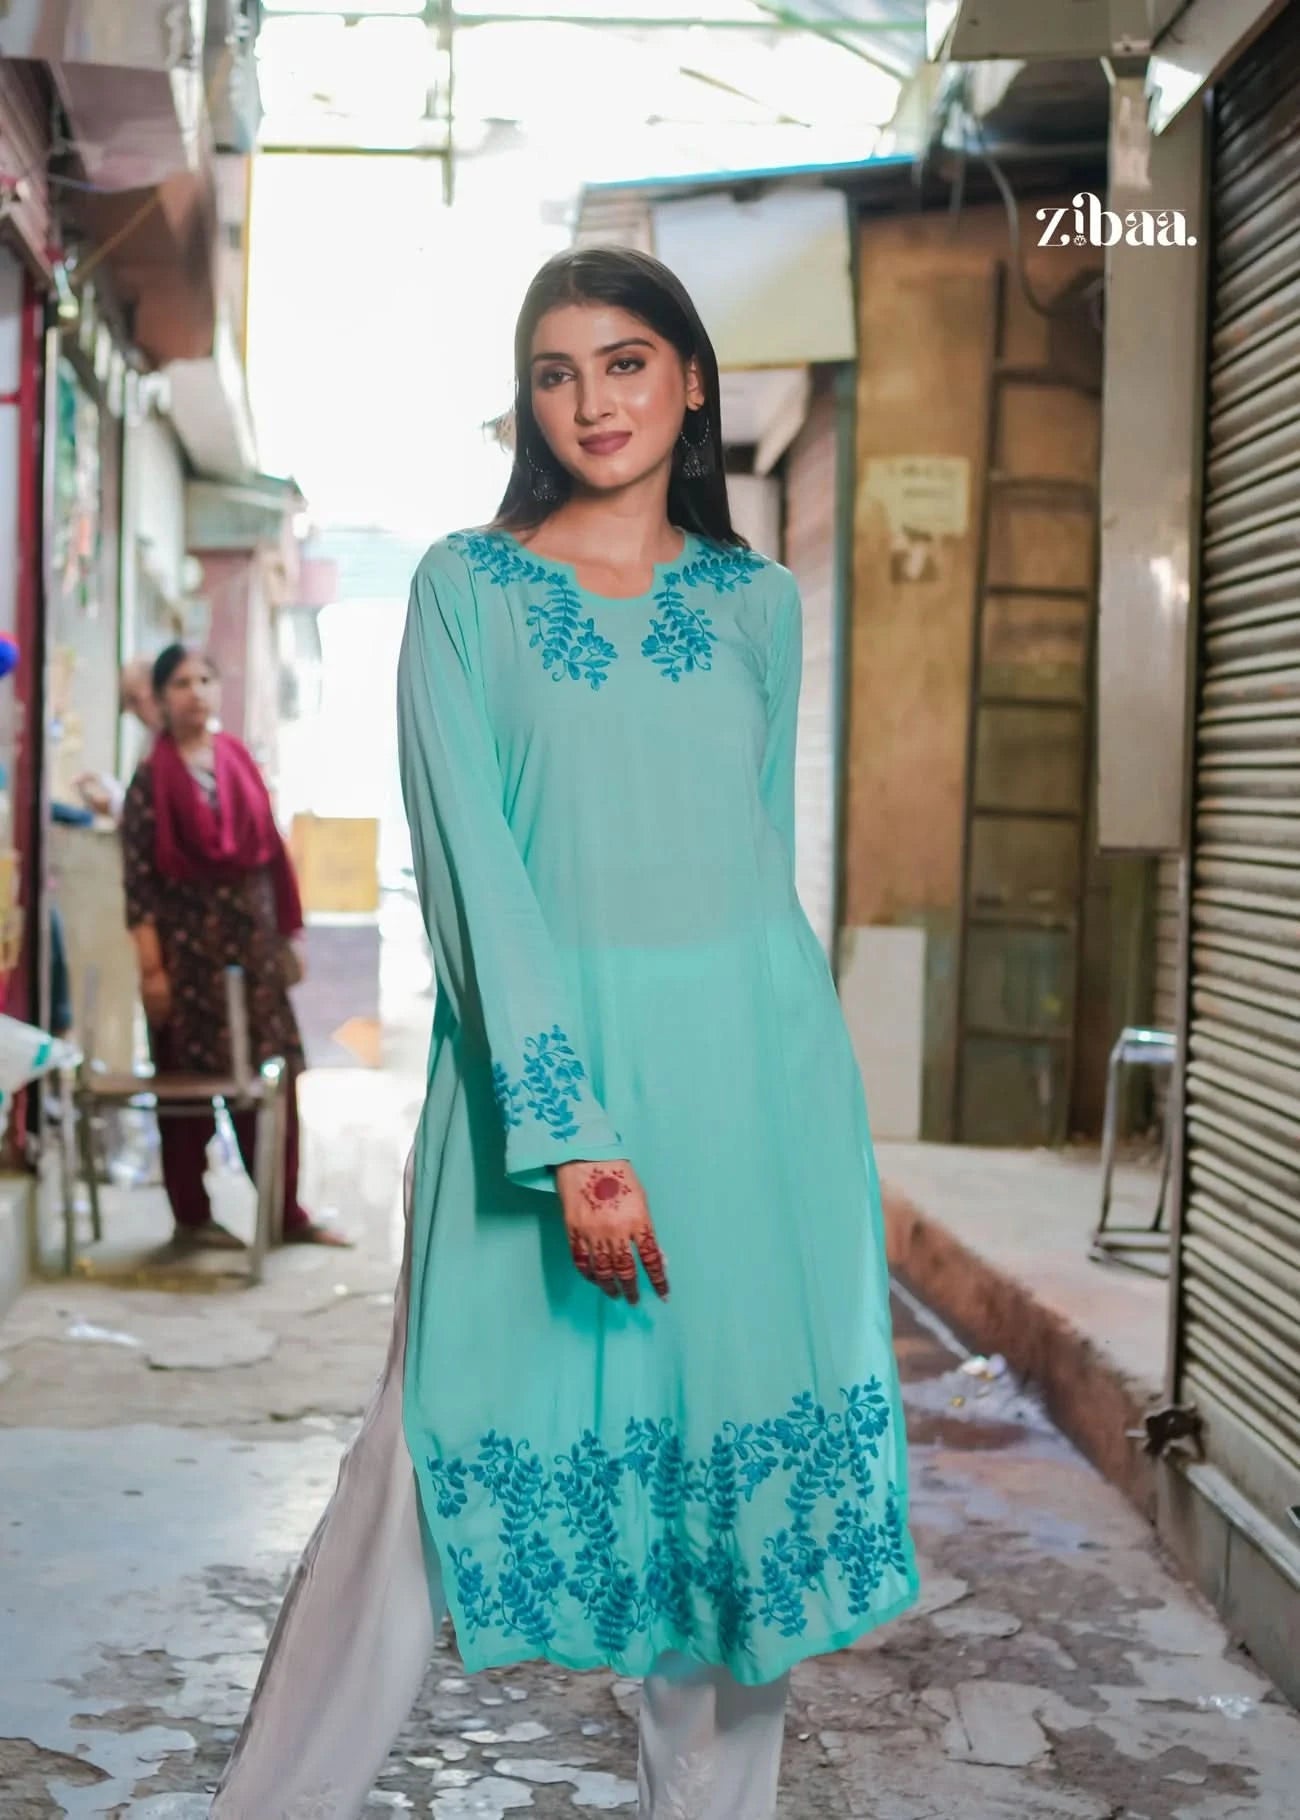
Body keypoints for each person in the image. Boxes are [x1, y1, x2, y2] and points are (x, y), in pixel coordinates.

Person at [212, 246, 916, 1818]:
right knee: (421, 1469)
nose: (593, 400)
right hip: (545, 1105)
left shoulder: (754, 604)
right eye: (556, 371)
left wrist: (791, 1109)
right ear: (528, 402)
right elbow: (475, 884)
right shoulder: (469, 592)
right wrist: (576, 1135)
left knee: (730, 1510)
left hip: (757, 1101)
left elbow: (751, 866)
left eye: (624, 362)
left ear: (690, 380)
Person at [120, 645, 348, 1250]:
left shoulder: (237, 761)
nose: (195, 691)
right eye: (180, 683)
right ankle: (192, 1219)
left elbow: (271, 853)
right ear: (161, 699)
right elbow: (139, 883)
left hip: (252, 952)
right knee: (187, 1089)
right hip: (186, 961)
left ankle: (284, 1214)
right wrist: (152, 971)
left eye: (205, 678)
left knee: (272, 1081)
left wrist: (288, 937)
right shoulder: (151, 780)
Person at [76, 656, 164, 823]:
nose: (131, 711)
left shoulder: (174, 744)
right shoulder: (152, 740)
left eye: (134, 700)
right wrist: (104, 782)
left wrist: (112, 805)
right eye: (125, 703)